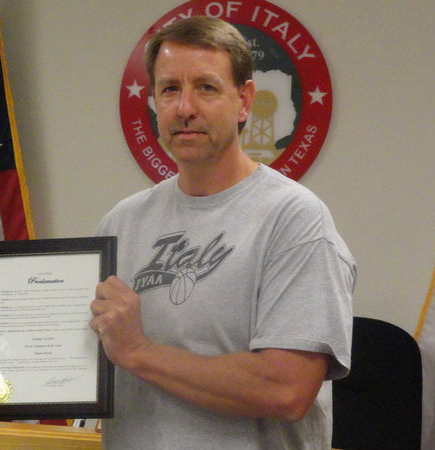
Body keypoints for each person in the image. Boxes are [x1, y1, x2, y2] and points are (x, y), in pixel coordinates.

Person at [89, 16, 354, 449]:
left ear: (245, 100)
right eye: (169, 88)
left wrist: (140, 351)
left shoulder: (294, 220)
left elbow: (286, 389)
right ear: (154, 100)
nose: (185, 107)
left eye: (206, 88)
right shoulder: (121, 222)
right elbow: (69, 357)